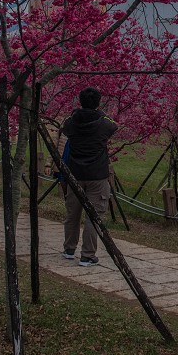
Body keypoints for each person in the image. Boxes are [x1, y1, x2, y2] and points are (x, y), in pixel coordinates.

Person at [60, 87, 118, 267]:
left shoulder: (71, 123)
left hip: (75, 174)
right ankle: (87, 255)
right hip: (97, 176)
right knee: (93, 216)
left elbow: (64, 126)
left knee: (72, 214)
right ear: (98, 102)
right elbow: (114, 125)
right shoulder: (104, 124)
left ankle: (69, 249)